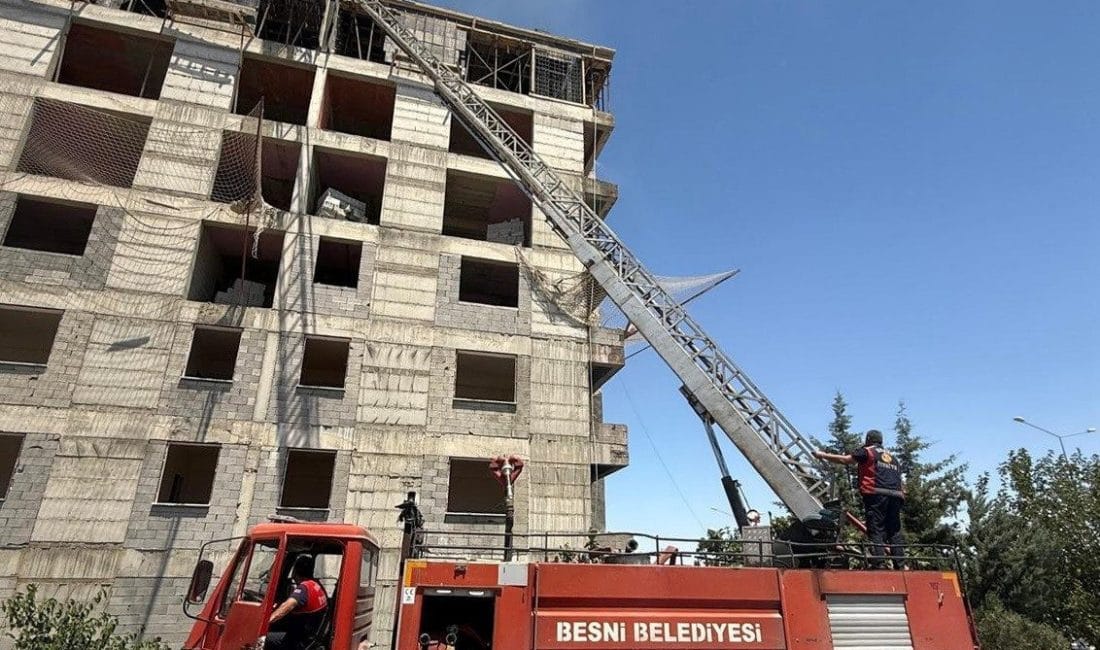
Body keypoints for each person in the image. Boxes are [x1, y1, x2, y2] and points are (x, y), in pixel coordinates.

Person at [813, 429, 906, 568]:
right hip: (896, 496)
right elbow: (900, 480)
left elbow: (845, 460)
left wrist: (822, 455)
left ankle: (879, 563)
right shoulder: (893, 458)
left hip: (876, 494)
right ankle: (900, 565)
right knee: (894, 531)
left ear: (868, 440)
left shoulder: (867, 452)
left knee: (875, 528)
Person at [265, 555, 328, 650]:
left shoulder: (304, 588)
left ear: (295, 571)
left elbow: (287, 606)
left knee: (262, 639)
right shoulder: (316, 585)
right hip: (310, 635)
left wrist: (265, 622)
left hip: (299, 640)